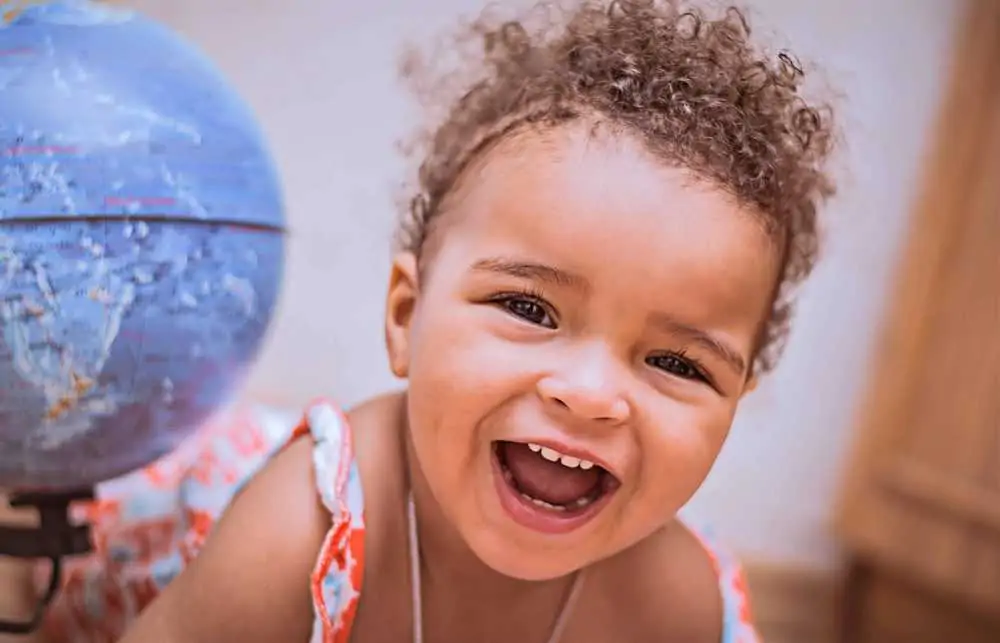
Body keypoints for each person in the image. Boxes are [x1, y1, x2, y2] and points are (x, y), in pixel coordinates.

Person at [14, 1, 838, 641]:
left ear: (736, 399)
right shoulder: (297, 534)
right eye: (528, 308)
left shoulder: (673, 604)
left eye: (680, 364)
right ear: (406, 316)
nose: (590, 395)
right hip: (131, 525)